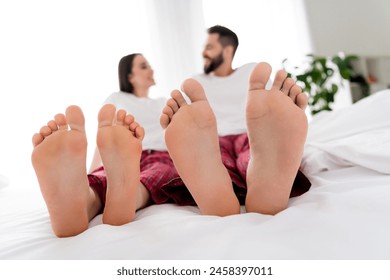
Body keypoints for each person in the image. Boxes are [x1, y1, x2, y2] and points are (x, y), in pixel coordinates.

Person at [31, 55, 309, 238]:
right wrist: (93, 172)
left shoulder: (167, 102)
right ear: (129, 75)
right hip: (138, 153)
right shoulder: (116, 98)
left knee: (161, 175)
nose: (150, 69)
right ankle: (85, 196)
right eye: (143, 66)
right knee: (135, 172)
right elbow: (107, 141)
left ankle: (97, 199)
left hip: (165, 154)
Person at [191, 25, 311, 203]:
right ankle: (222, 192)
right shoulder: (196, 82)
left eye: (209, 47)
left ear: (227, 50)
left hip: (252, 133)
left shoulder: (251, 73)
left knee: (255, 154)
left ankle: (267, 174)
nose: (203, 53)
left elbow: (272, 107)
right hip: (213, 138)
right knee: (215, 161)